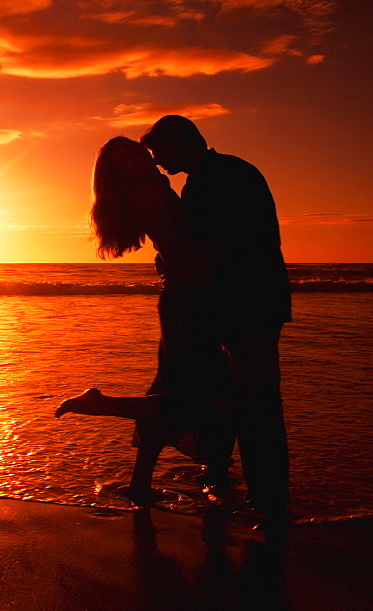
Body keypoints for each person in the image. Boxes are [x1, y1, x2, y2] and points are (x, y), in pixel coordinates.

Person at [56, 136, 233, 504]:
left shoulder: (147, 189)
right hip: (191, 302)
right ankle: (101, 404)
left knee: (173, 389)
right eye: (127, 158)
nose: (139, 157)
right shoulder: (152, 189)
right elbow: (181, 249)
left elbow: (174, 250)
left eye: (136, 151)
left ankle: (144, 482)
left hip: (181, 301)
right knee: (206, 395)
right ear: (121, 171)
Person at [139, 115, 292, 536]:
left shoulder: (224, 175)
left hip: (250, 301)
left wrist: (179, 260)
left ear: (184, 142)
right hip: (233, 300)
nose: (157, 160)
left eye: (160, 151)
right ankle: (228, 478)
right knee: (230, 393)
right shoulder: (209, 177)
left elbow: (232, 241)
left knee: (258, 400)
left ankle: (269, 501)